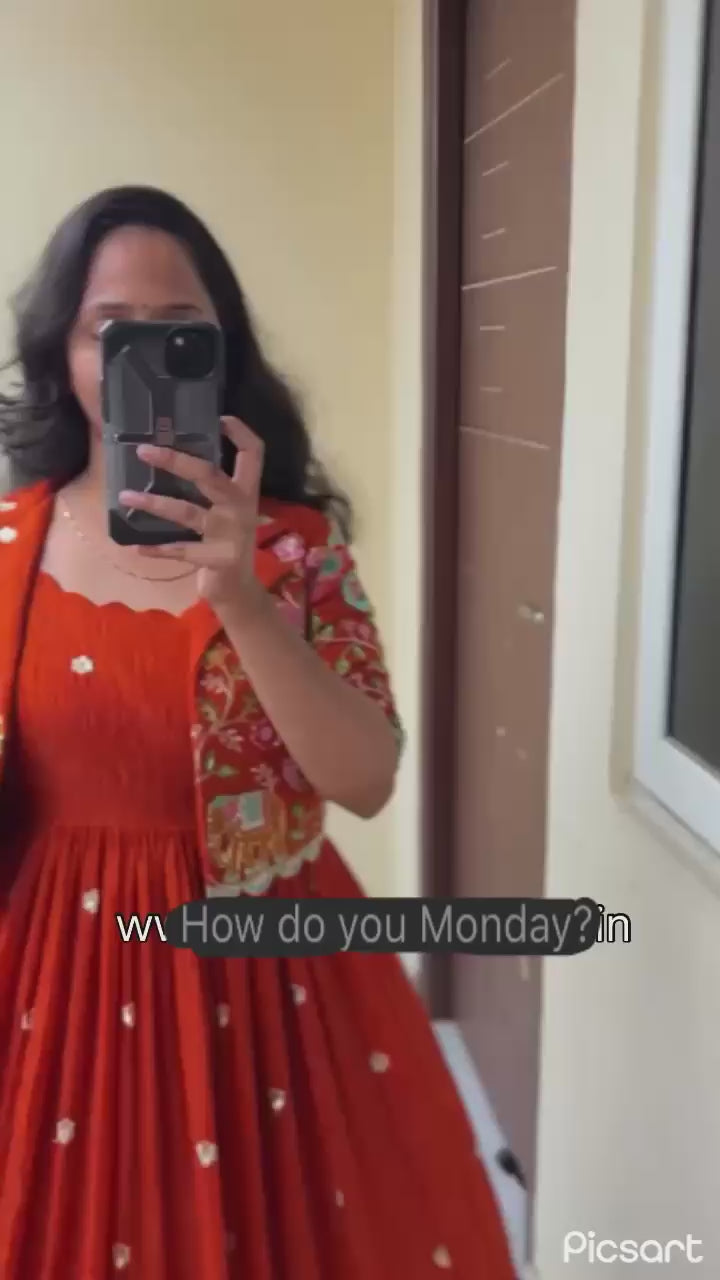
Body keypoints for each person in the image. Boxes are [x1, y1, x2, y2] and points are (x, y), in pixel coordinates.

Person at [0, 186, 515, 1279]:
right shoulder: (4, 546)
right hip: (47, 972)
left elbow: (367, 780)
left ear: (220, 350)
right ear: (63, 352)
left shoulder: (296, 545)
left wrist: (240, 596)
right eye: (108, 328)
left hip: (270, 974)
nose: (141, 355)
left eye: (179, 326)